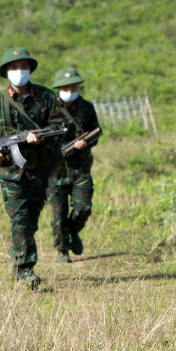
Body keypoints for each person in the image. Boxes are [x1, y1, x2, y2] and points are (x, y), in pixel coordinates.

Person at [0, 47, 62, 289]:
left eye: (23, 67)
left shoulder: (46, 97)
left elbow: (59, 125)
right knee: (19, 219)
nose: (19, 71)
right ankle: (26, 269)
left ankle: (19, 258)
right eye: (13, 67)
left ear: (30, 69)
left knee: (31, 220)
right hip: (10, 171)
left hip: (39, 169)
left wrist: (39, 139)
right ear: (6, 72)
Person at [47, 67, 101, 263]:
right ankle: (62, 250)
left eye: (74, 86)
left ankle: (73, 231)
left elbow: (95, 132)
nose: (70, 89)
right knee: (58, 215)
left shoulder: (86, 108)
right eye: (66, 86)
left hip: (80, 168)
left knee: (84, 207)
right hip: (55, 171)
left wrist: (85, 143)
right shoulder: (48, 109)